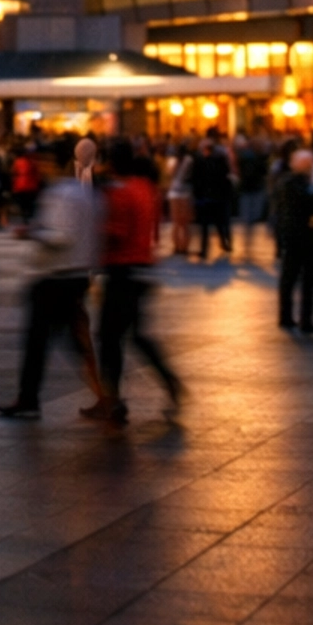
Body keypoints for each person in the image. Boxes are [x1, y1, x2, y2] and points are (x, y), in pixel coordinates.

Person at [0, 135, 106, 420]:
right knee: (73, 340)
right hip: (77, 274)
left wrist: (32, 232)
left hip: (55, 278)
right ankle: (104, 395)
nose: (41, 166)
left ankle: (30, 397)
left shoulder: (62, 193)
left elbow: (62, 237)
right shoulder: (87, 192)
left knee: (41, 340)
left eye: (44, 161)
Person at [92, 139, 183, 425]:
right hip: (143, 267)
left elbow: (114, 232)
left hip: (122, 270)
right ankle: (168, 383)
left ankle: (114, 400)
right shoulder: (146, 188)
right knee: (136, 335)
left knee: (109, 338)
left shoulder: (118, 193)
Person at [274, 148, 313, 334]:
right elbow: (308, 203)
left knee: (308, 279)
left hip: (309, 237)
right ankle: (287, 317)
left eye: (311, 163)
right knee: (290, 277)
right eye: (306, 163)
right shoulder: (290, 183)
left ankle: (305, 320)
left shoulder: (307, 183)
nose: (310, 166)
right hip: (295, 236)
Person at [191, 134, 233, 259]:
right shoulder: (220, 160)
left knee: (205, 224)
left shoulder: (201, 161)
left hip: (207, 196)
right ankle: (224, 243)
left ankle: (205, 249)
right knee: (219, 222)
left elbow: (196, 179)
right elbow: (226, 175)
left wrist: (197, 194)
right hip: (217, 196)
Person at [234, 133, 270, 261]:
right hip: (253, 190)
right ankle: (247, 248)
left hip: (249, 190)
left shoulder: (246, 156)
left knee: (247, 221)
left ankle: (247, 248)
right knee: (250, 220)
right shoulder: (257, 157)